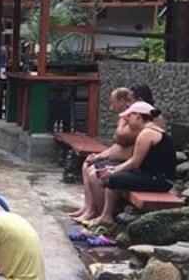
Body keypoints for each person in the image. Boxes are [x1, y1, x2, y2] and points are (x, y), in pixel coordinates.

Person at [89, 101, 177, 230]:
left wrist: (113, 170)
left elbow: (134, 162)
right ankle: (106, 215)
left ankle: (107, 216)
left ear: (138, 116)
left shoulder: (147, 133)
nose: (127, 121)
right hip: (152, 176)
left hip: (160, 180)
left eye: (128, 117)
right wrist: (113, 169)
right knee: (113, 175)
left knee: (112, 178)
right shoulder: (150, 131)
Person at [70, 88, 137, 222]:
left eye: (113, 102)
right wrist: (99, 156)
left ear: (124, 101)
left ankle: (102, 213)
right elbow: (116, 145)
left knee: (95, 174)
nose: (111, 107)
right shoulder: (127, 119)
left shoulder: (133, 120)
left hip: (126, 163)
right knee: (87, 164)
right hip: (116, 158)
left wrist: (123, 119)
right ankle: (89, 207)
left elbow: (120, 139)